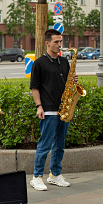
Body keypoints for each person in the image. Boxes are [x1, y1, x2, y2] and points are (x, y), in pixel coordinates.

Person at [29, 29, 77, 191]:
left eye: (60, 41)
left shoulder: (63, 61)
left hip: (64, 108)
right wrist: (39, 106)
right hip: (48, 109)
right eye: (56, 42)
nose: (59, 45)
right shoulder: (39, 63)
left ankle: (55, 174)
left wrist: (73, 80)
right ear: (47, 43)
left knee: (60, 145)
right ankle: (37, 177)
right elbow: (34, 87)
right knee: (45, 144)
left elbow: (66, 83)